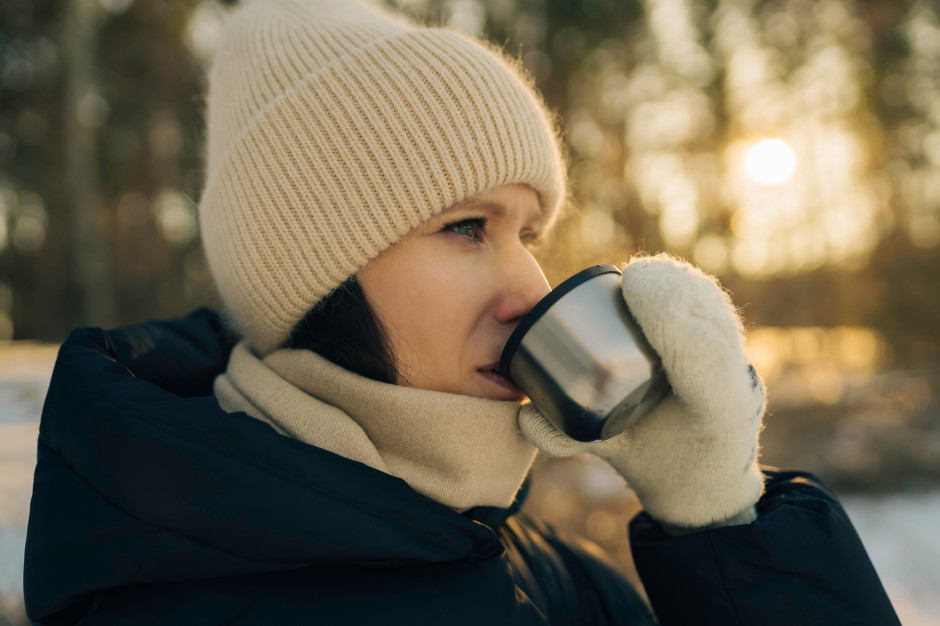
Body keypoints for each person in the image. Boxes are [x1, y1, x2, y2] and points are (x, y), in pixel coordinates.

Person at [24, 1, 900, 624]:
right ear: (311, 272)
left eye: (528, 232)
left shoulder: (528, 558)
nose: (528, 289)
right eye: (468, 227)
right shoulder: (190, 599)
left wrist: (720, 523)